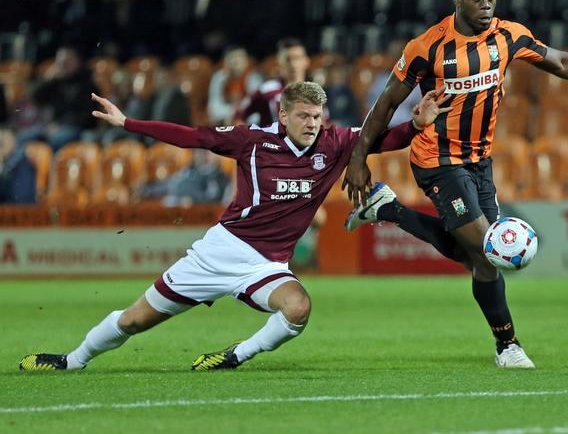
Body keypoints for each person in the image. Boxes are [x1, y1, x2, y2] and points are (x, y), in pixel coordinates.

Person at [342, 0, 568, 369]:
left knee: (477, 260)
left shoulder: (508, 36)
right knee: (488, 252)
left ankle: (386, 208)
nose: (486, 3)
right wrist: (358, 159)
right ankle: (508, 346)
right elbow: (386, 104)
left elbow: (562, 62)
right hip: (438, 160)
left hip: (481, 162)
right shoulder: (427, 47)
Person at [19, 81, 450, 372]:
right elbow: (194, 137)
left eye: (317, 115)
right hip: (219, 252)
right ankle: (71, 360)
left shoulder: (336, 144)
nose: (312, 123)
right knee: (133, 321)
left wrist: (415, 123)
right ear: (283, 115)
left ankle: (234, 357)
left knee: (298, 308)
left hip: (266, 266)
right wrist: (128, 124)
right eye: (303, 115)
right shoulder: (252, 142)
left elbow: (383, 139)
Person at [235, 38, 309, 127]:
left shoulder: (316, 93)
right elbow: (238, 117)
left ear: (306, 61)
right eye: (287, 59)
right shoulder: (266, 90)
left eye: (297, 58)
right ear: (278, 62)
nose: (292, 64)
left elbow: (323, 125)